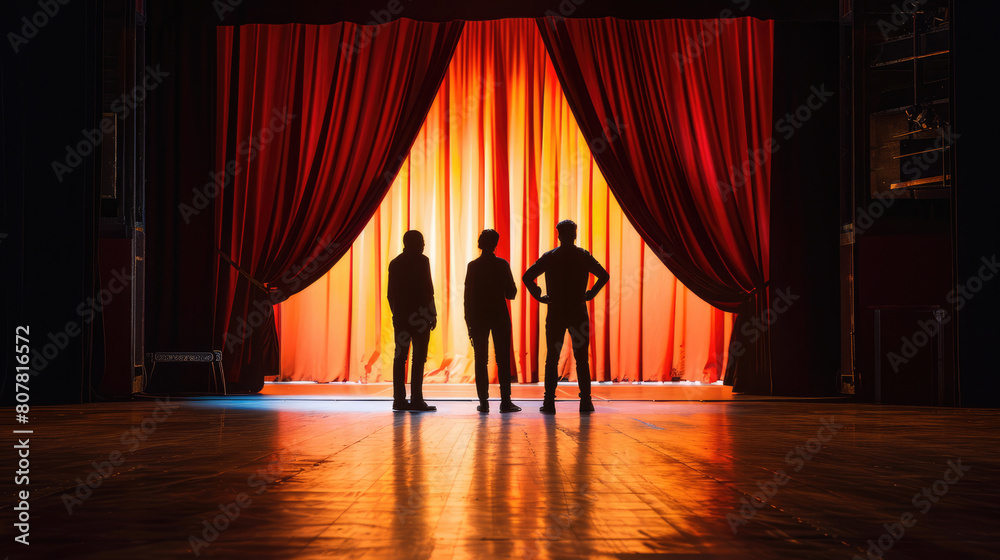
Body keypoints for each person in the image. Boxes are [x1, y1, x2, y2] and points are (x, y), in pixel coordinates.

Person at [523, 220, 609, 414]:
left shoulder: (550, 257)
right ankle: (585, 402)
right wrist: (590, 293)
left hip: (556, 311)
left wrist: (539, 295)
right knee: (581, 359)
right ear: (575, 235)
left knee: (552, 358)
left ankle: (549, 403)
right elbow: (603, 275)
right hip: (578, 310)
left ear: (559, 235)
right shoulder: (582, 256)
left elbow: (527, 276)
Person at [464, 229, 522, 414]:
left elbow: (468, 297)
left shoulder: (473, 266)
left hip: (479, 317)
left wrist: (469, 322)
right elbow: (511, 293)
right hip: (499, 315)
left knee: (480, 360)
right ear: (495, 244)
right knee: (502, 359)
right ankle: (506, 401)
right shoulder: (502, 264)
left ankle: (484, 402)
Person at [387, 230, 437, 412]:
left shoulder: (395, 263)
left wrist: (397, 315)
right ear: (416, 244)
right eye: (422, 242)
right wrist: (432, 314)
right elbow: (428, 290)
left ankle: (398, 400)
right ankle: (417, 399)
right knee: (418, 359)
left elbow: (390, 294)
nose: (424, 245)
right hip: (421, 317)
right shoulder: (423, 261)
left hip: (401, 318)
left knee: (400, 358)